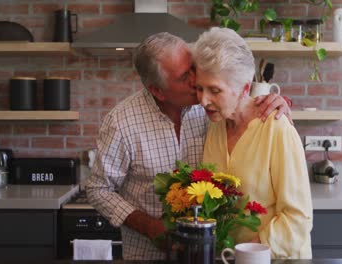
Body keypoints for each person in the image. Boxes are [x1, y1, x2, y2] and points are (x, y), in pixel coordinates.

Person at [86, 32, 291, 260]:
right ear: (158, 91)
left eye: (193, 67)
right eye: (185, 76)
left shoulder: (210, 109)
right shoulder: (121, 123)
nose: (196, 80)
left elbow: (239, 99)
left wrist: (277, 103)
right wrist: (151, 227)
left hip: (206, 253)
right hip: (146, 255)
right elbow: (97, 190)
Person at [193, 27, 313, 259]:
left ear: (244, 89)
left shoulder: (276, 128)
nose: (203, 100)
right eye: (199, 88)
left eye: (215, 90)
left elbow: (298, 218)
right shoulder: (215, 125)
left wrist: (246, 254)